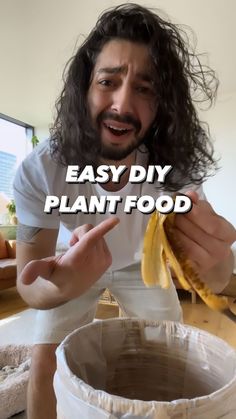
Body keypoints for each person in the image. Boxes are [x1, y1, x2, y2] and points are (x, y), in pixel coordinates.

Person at [14, 4, 236, 418]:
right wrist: (61, 285)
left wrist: (217, 267)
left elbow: (217, 274)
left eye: (146, 89)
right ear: (84, 89)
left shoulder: (173, 164)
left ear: (162, 107)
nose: (123, 104)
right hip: (70, 262)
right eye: (108, 81)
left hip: (140, 268)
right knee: (46, 361)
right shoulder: (40, 169)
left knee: (173, 348)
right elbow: (30, 289)